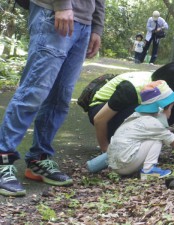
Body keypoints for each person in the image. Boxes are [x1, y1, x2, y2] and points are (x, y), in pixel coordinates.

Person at [0, 0, 105, 197]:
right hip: (53, 12)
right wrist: (62, 4)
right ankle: (3, 158)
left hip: (83, 22)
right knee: (33, 92)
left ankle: (39, 158)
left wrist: (96, 26)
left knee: (60, 97)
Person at [86, 62, 174, 173]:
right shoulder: (131, 89)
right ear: (168, 89)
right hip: (103, 109)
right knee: (150, 123)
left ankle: (134, 147)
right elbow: (100, 119)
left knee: (160, 120)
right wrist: (106, 150)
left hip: (134, 116)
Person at [106, 80, 174, 180]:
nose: (170, 111)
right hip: (125, 165)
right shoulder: (154, 123)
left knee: (150, 139)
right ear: (161, 109)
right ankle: (148, 171)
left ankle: (142, 168)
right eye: (170, 108)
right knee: (157, 140)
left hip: (116, 164)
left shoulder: (137, 116)